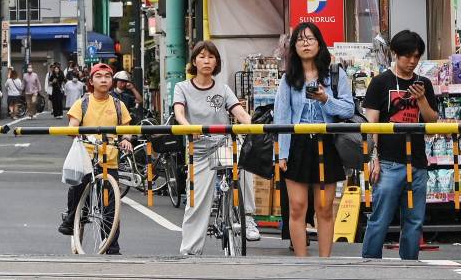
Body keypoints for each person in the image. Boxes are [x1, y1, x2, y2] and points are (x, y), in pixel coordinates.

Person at [274, 22, 355, 257]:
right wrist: (282, 154)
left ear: (319, 43)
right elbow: (282, 117)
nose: (306, 43)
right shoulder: (289, 78)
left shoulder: (335, 73)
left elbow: (349, 109)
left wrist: (325, 99)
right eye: (300, 40)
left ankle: (325, 263)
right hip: (297, 144)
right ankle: (302, 262)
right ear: (293, 47)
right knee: (298, 207)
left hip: (327, 143)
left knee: (324, 207)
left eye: (310, 39)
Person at [361, 30, 439, 260]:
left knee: (414, 220)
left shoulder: (423, 83)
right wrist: (372, 157)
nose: (412, 61)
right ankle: (369, 263)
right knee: (380, 218)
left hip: (417, 162)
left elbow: (432, 122)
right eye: (407, 56)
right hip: (388, 162)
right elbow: (371, 123)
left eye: (416, 56)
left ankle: (410, 266)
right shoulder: (380, 82)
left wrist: (422, 99)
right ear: (395, 54)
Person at [173, 41, 254, 256]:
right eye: (202, 56)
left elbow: (239, 113)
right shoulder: (182, 87)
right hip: (198, 149)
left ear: (216, 61)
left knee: (244, 163)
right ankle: (190, 250)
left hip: (223, 144)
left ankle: (249, 217)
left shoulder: (223, 88)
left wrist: (251, 124)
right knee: (196, 203)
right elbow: (179, 113)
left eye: (211, 57)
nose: (206, 61)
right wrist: (189, 128)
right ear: (194, 61)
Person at [58, 63, 132, 254]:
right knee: (77, 187)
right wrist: (77, 133)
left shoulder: (118, 104)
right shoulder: (82, 102)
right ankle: (71, 218)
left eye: (108, 76)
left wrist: (126, 139)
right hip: (86, 157)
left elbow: (128, 129)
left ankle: (112, 247)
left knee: (110, 207)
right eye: (99, 76)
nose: (104, 79)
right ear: (91, 81)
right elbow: (72, 125)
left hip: (110, 159)